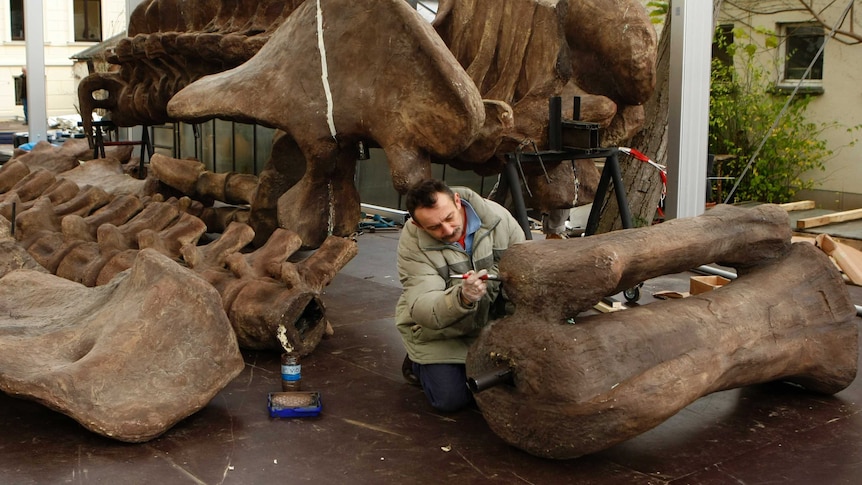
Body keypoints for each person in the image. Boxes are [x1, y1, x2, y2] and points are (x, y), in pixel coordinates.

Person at [395, 179, 526, 412]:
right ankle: (417, 363)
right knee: (451, 401)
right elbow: (423, 306)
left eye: (448, 218)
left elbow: (525, 276)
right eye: (434, 227)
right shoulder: (412, 243)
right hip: (440, 333)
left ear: (458, 201)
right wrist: (462, 298)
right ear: (417, 224)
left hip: (491, 324)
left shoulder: (499, 218)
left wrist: (517, 331)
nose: (447, 231)